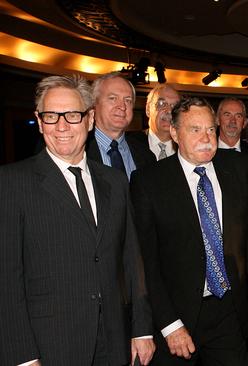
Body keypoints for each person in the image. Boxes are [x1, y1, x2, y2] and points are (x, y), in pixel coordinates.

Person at [0, 74, 154, 365]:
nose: (61, 126)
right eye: (51, 116)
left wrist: (142, 330)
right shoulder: (12, 183)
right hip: (51, 346)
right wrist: (21, 355)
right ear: (39, 119)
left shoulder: (115, 181)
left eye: (72, 115)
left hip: (114, 341)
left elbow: (131, 258)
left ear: (90, 119)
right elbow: (7, 280)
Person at [130, 96, 248, 366]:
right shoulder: (149, 181)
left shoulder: (241, 168)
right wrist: (169, 325)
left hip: (229, 311)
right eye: (195, 129)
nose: (206, 137)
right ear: (174, 133)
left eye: (210, 129)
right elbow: (146, 262)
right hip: (175, 316)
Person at [87, 72, 155, 178]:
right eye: (113, 98)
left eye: (128, 100)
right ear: (94, 104)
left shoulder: (146, 155)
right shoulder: (79, 151)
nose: (122, 106)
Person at [144, 84, 181, 160]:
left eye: (175, 106)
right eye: (162, 104)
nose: (169, 110)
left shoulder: (186, 148)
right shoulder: (131, 145)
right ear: (148, 109)